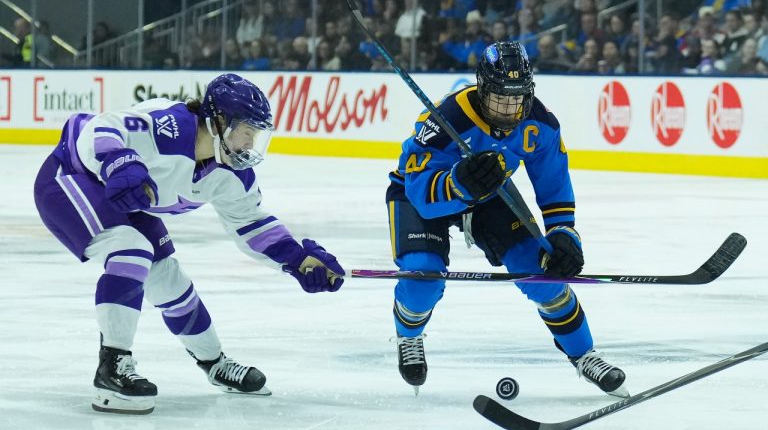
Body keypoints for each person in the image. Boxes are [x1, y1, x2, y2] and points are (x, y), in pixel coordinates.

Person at [33, 73, 345, 415]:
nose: (251, 143)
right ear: (219, 121)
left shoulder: (231, 172)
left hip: (126, 200)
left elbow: (251, 223)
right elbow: (101, 128)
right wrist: (118, 161)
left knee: (169, 279)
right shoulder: (170, 127)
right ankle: (112, 367)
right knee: (131, 250)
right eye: (247, 131)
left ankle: (214, 363)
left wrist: (297, 260)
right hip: (69, 177)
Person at [385, 41, 628, 397]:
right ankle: (409, 336)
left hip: (489, 194)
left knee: (542, 275)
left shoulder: (540, 123)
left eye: (517, 98)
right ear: (482, 89)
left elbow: (553, 183)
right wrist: (457, 184)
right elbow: (420, 195)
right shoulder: (446, 120)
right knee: (423, 277)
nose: (510, 109)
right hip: (420, 191)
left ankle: (584, 354)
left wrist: (563, 232)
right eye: (500, 98)